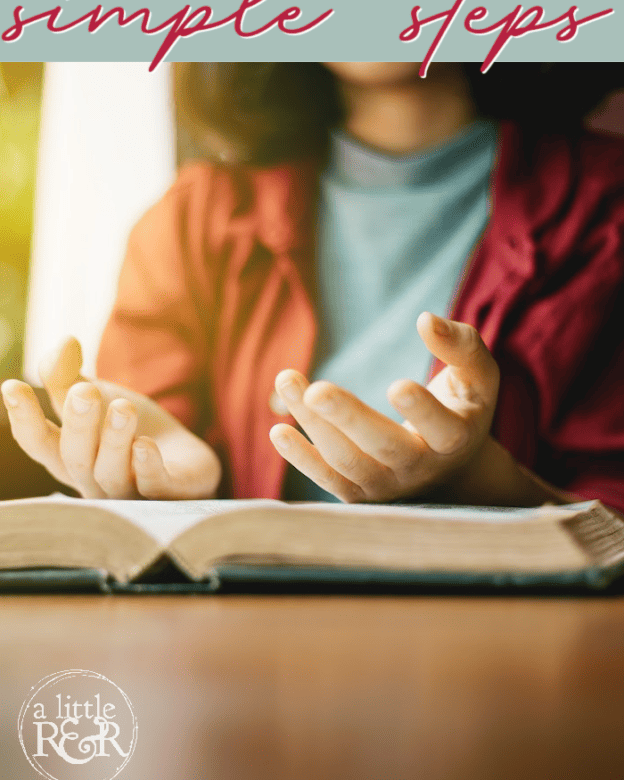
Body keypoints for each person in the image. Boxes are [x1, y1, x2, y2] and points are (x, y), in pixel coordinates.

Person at [3, 62, 624, 510]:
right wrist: (156, 487)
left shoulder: (607, 210)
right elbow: (157, 442)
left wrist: (493, 484)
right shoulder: (192, 221)